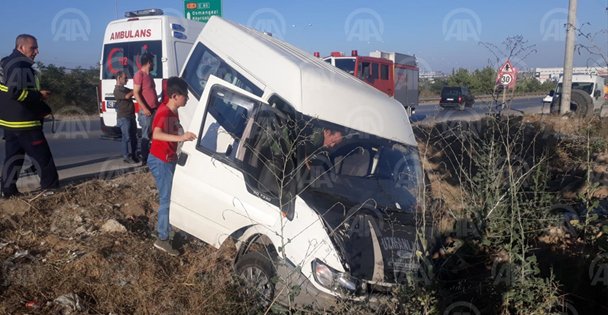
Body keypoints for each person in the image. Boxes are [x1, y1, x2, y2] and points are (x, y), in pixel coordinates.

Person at [0, 34, 59, 198]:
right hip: (24, 121)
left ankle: (9, 192)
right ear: (21, 47)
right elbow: (15, 92)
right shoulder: (20, 65)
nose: (36, 51)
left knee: (14, 158)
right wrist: (39, 96)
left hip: (9, 122)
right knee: (43, 157)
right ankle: (51, 188)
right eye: (33, 48)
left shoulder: (5, 62)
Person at [148, 77, 196, 256]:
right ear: (175, 96)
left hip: (167, 159)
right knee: (167, 199)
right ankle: (162, 238)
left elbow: (170, 129)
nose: (188, 99)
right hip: (161, 161)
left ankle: (164, 228)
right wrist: (181, 138)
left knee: (170, 197)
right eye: (185, 96)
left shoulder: (172, 112)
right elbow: (157, 134)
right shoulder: (165, 112)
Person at [133, 52, 159, 166]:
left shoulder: (150, 76)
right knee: (145, 136)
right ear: (149, 62)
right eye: (152, 62)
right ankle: (145, 159)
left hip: (154, 110)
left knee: (154, 135)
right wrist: (145, 108)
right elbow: (136, 93)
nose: (153, 64)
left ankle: (152, 156)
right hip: (146, 112)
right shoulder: (139, 75)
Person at [113, 71, 139, 164]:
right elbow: (127, 96)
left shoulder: (125, 89)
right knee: (126, 137)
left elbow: (134, 93)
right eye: (125, 78)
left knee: (133, 137)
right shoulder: (117, 90)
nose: (127, 80)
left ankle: (134, 155)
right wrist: (134, 90)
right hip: (124, 117)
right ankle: (126, 156)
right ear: (119, 78)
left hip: (131, 116)